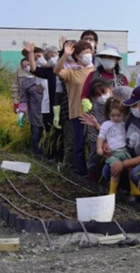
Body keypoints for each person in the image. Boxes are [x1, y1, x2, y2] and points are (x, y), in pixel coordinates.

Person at [54, 39, 95, 176]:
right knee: (79, 144)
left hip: (95, 112)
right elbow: (56, 70)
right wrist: (65, 55)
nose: (88, 55)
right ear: (77, 56)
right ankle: (81, 173)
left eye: (90, 52)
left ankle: (94, 173)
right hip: (77, 112)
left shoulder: (94, 70)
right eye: (85, 53)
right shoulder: (70, 72)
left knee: (94, 143)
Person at [27, 44, 62, 161]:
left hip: (65, 105)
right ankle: (53, 155)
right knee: (51, 132)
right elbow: (34, 69)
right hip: (51, 106)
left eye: (54, 55)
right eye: (49, 56)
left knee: (64, 133)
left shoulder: (67, 68)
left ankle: (63, 157)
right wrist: (31, 53)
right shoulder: (49, 71)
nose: (52, 58)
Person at [97, 98, 132, 195]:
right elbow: (101, 137)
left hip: (124, 150)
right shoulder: (106, 124)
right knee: (115, 171)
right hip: (113, 153)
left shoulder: (123, 125)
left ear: (123, 115)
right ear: (108, 114)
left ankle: (133, 189)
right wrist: (99, 147)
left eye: (118, 116)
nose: (116, 118)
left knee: (131, 168)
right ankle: (112, 192)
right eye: (113, 115)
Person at [17, 58, 44, 158]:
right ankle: (37, 153)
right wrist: (21, 112)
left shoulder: (44, 75)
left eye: (28, 64)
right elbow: (23, 98)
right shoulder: (25, 81)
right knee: (36, 133)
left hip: (49, 109)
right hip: (35, 111)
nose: (27, 67)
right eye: (24, 66)